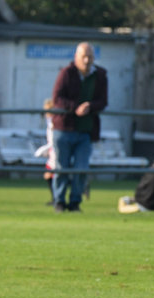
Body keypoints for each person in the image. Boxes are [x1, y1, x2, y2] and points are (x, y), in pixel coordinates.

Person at [50, 42, 108, 213]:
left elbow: (103, 101)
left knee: (81, 168)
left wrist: (90, 106)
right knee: (61, 168)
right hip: (64, 129)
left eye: (89, 56)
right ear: (76, 57)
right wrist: (75, 108)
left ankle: (75, 202)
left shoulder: (100, 75)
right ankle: (59, 202)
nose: (86, 60)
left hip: (85, 130)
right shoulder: (66, 73)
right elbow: (57, 99)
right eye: (83, 56)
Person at [34, 98, 56, 206]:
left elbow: (54, 139)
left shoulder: (55, 122)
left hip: (56, 152)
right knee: (49, 175)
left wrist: (46, 149)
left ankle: (56, 198)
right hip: (52, 151)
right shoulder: (49, 121)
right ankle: (55, 198)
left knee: (51, 175)